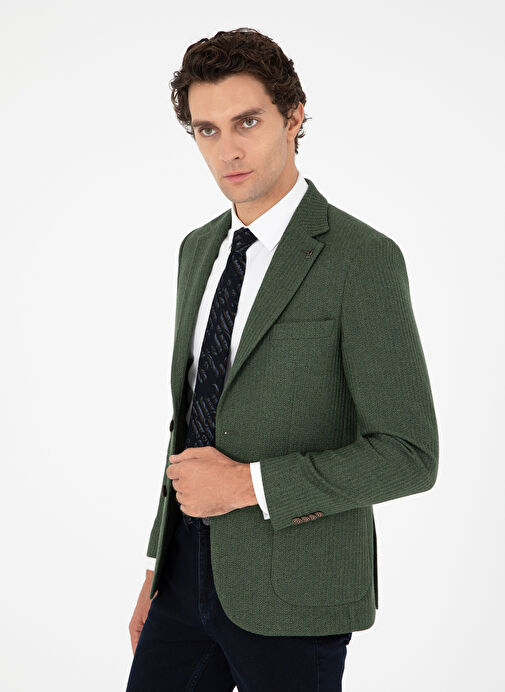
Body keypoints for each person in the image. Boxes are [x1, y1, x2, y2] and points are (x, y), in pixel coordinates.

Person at [126, 27, 439, 692]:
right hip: (183, 581)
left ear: (293, 117)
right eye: (207, 130)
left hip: (295, 591)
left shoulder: (360, 258)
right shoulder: (197, 250)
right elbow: (193, 418)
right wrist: (158, 566)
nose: (228, 150)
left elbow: (409, 453)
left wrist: (249, 486)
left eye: (247, 121)